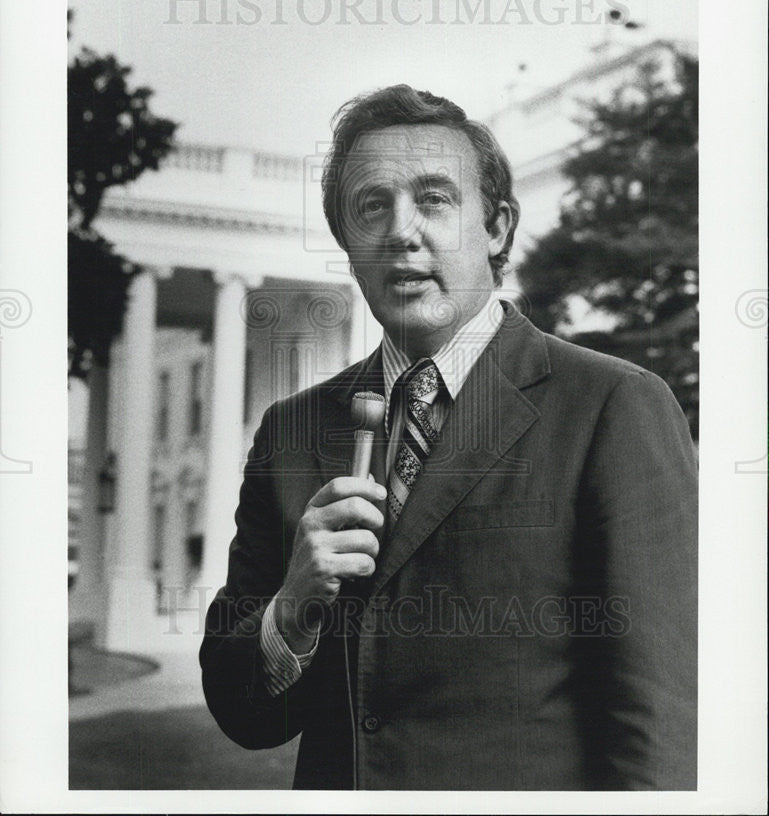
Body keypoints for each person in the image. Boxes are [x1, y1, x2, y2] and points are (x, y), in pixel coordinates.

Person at [199, 84, 697, 790]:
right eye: (372, 206)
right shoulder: (293, 431)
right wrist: (295, 606)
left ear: (495, 228)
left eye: (434, 199)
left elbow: (659, 723)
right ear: (345, 241)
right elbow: (242, 716)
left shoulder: (611, 406)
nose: (402, 230)